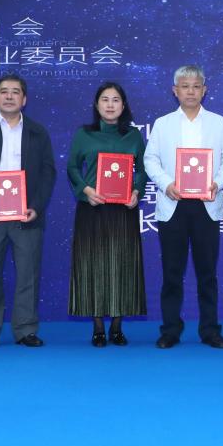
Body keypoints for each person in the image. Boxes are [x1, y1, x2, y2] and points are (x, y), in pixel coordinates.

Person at [0, 74, 57, 349]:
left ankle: (25, 329)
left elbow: (48, 173)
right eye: (3, 91)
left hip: (26, 217)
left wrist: (36, 208)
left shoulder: (38, 132)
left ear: (24, 99)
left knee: (28, 274)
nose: (9, 96)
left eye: (15, 92)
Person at [143, 66, 223, 349]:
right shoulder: (163, 124)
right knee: (172, 273)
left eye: (196, 86)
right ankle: (170, 330)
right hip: (174, 205)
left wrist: (216, 183)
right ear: (175, 90)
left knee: (207, 274)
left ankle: (210, 330)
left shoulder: (218, 122)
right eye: (185, 86)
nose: (190, 91)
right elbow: (150, 159)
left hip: (207, 205)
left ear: (204, 90)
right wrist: (166, 183)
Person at [67, 82, 148, 347]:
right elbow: (72, 167)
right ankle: (98, 327)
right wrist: (86, 190)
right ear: (96, 104)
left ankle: (117, 327)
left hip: (123, 210)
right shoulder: (84, 134)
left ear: (123, 106)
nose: (110, 104)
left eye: (115, 100)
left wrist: (136, 191)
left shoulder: (132, 136)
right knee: (92, 267)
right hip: (93, 208)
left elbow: (142, 170)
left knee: (122, 266)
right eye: (105, 99)